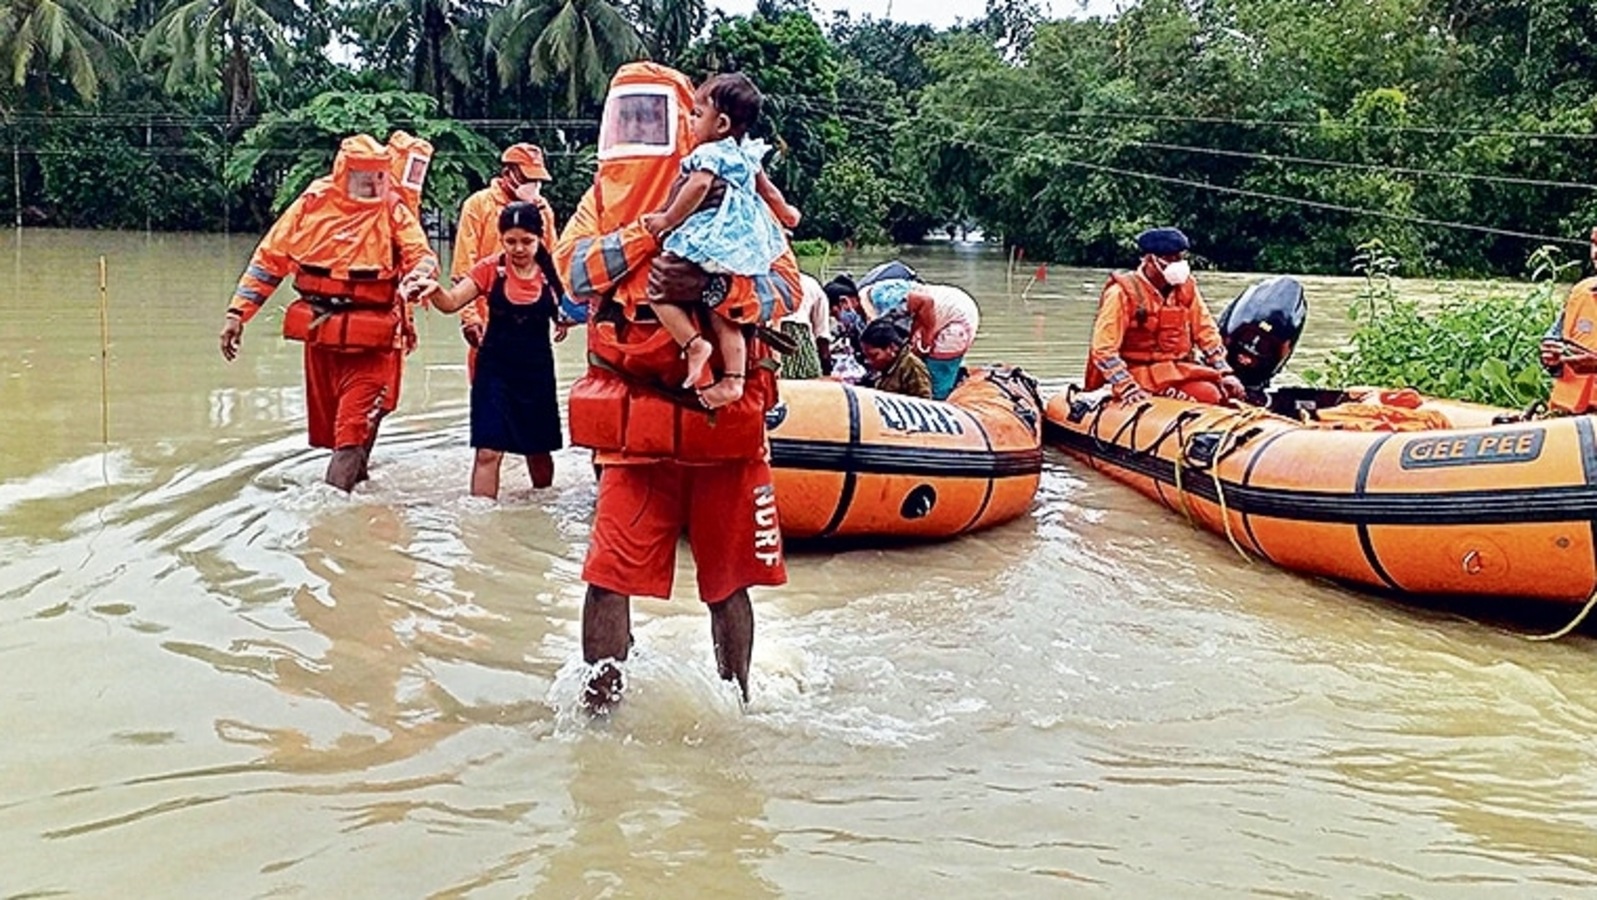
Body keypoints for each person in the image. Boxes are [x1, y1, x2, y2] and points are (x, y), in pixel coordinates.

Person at [555, 62, 803, 714]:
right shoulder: (600, 197)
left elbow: (785, 287)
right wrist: (655, 228)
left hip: (719, 423)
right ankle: (597, 714)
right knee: (607, 577)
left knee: (727, 585)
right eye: (626, 116)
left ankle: (738, 704)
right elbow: (576, 272)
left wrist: (719, 289)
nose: (637, 130)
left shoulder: (733, 187)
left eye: (651, 116)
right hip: (633, 419)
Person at [219, 134, 438, 491]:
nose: (372, 183)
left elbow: (421, 254)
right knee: (344, 433)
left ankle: (329, 521)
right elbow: (270, 260)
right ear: (343, 172)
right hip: (323, 338)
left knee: (349, 436)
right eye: (363, 175)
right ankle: (362, 502)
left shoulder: (393, 209)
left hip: (374, 344)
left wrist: (419, 276)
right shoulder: (313, 203)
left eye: (379, 175)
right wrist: (237, 314)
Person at [640, 72, 801, 409]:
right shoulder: (746, 154)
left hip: (710, 241)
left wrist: (666, 220)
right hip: (740, 249)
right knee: (723, 313)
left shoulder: (710, 154)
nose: (690, 121)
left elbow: (697, 188)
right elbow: (767, 190)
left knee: (656, 291)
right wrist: (787, 214)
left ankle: (693, 344)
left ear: (722, 122)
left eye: (697, 114)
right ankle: (733, 380)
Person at [417, 202, 569, 497]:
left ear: (540, 238)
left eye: (527, 241)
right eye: (510, 241)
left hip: (536, 374)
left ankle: (542, 510)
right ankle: (481, 524)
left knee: (538, 452)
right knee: (488, 451)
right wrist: (434, 290)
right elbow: (451, 303)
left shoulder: (553, 275)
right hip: (494, 371)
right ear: (501, 240)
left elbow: (576, 311)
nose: (519, 248)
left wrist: (569, 319)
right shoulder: (490, 269)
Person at [1085, 226, 1245, 405]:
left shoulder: (1186, 288)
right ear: (1149, 260)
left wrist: (1224, 372)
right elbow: (1103, 349)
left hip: (1176, 369)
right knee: (1206, 395)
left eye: (1180, 257)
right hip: (1137, 372)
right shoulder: (1121, 294)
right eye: (1170, 258)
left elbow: (1206, 331)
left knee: (1217, 393)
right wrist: (1127, 386)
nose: (1178, 264)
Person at [454, 143, 561, 380]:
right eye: (528, 178)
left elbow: (553, 265)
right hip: (489, 322)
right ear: (507, 174)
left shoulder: (543, 212)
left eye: (537, 180)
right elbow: (464, 267)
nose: (534, 186)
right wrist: (470, 318)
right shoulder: (478, 206)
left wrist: (559, 313)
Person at [859, 278, 980, 401]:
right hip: (942, 308)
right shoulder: (882, 301)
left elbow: (926, 302)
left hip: (956, 318)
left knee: (937, 385)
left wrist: (927, 340)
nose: (869, 361)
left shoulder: (885, 300)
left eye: (873, 356)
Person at [1537, 227, 1597, 415]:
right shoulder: (1580, 293)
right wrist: (1550, 358)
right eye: (1594, 243)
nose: (1596, 253)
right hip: (1565, 421)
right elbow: (1553, 341)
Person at [859, 317, 932, 398]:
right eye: (867, 357)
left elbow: (923, 401)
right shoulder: (886, 366)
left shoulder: (912, 367)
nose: (869, 361)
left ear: (892, 348)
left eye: (874, 356)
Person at [777, 272, 832, 379]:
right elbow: (822, 336)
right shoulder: (811, 283)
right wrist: (827, 372)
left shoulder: (760, 281)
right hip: (802, 344)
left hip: (772, 341)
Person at [822, 274, 869, 383]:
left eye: (835, 314)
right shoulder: (852, 325)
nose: (837, 319)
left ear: (844, 302)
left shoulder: (874, 306)